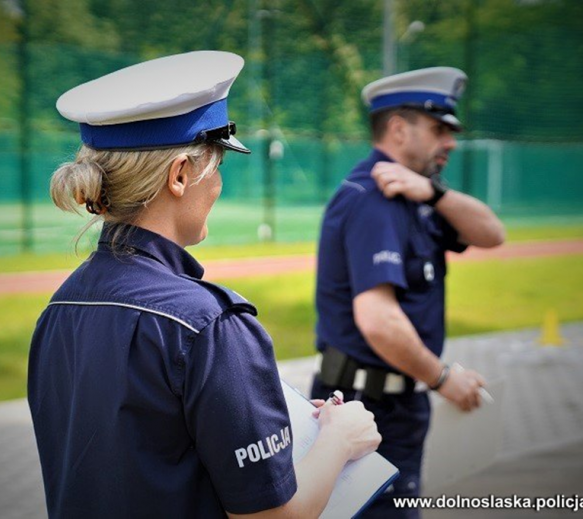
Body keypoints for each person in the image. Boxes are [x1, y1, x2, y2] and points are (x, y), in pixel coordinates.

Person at [27, 51, 381, 519]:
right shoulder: (209, 324)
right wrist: (340, 439)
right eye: (218, 166)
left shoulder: (60, 307)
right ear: (180, 175)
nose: (217, 186)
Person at [310, 67, 506, 518]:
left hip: (393, 403)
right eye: (439, 130)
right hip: (366, 407)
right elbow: (378, 320)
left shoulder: (415, 196)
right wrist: (442, 378)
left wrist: (434, 194)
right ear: (399, 129)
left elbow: (493, 233)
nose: (450, 143)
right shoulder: (372, 199)